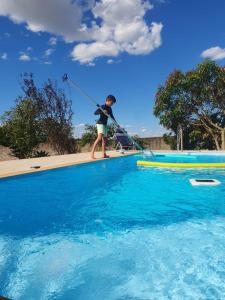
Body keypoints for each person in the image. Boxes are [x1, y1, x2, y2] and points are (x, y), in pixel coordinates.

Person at [91, 95, 117, 159]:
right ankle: (92, 154)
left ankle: (104, 154)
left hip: (105, 124)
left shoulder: (110, 108)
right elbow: (95, 113)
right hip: (100, 123)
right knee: (99, 137)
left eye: (113, 103)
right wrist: (102, 111)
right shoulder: (102, 106)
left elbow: (112, 116)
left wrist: (116, 123)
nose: (112, 104)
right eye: (111, 103)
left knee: (104, 140)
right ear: (108, 101)